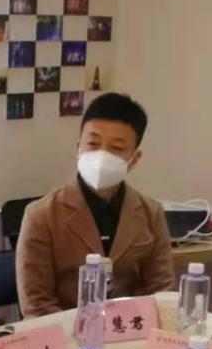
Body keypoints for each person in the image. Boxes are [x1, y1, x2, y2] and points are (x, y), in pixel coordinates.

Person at [15, 92, 174, 318]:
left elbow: (161, 292)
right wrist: (83, 332)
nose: (102, 155)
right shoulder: (41, 216)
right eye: (93, 144)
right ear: (78, 147)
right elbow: (36, 305)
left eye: (116, 148)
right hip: (63, 332)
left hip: (133, 330)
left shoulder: (151, 213)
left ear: (134, 159)